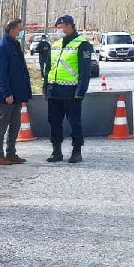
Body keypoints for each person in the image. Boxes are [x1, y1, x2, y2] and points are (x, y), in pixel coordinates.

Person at [43, 14, 93, 163]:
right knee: (54, 121)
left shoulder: (82, 44)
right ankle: (56, 151)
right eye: (58, 27)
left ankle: (76, 151)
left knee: (74, 122)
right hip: (54, 90)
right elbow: (49, 68)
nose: (59, 30)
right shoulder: (56, 45)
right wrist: (46, 87)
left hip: (72, 91)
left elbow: (85, 70)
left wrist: (81, 90)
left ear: (71, 26)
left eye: (61, 27)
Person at [0, 19, 33, 165]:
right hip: (6, 96)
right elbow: (0, 73)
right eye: (19, 29)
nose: (21, 32)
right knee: (2, 126)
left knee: (15, 125)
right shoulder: (2, 47)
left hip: (17, 93)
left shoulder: (14, 45)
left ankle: (11, 153)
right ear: (12, 30)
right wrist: (7, 93)